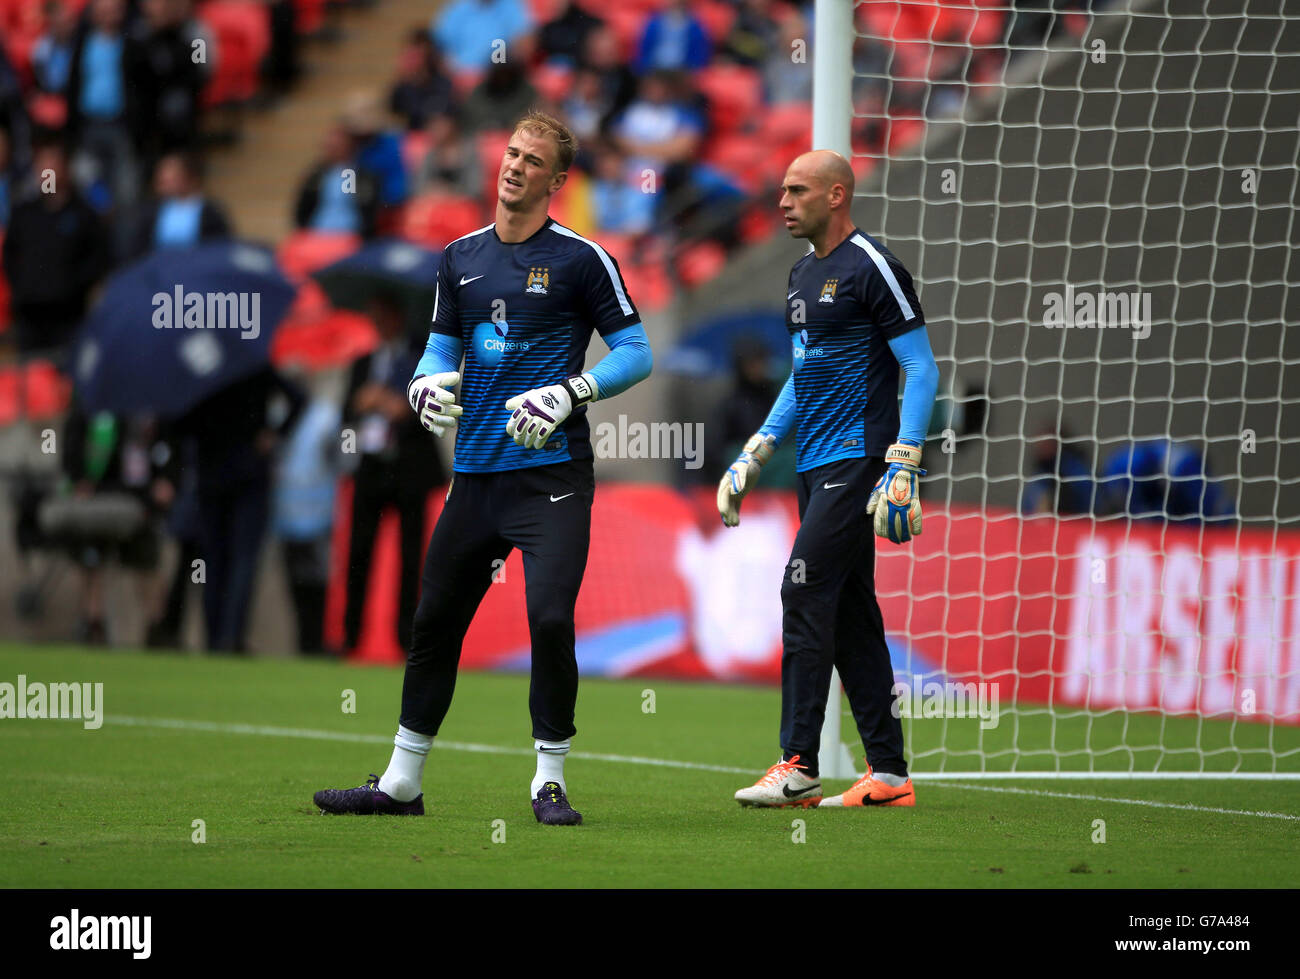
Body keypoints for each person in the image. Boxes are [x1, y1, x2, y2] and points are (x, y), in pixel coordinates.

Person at [314, 110, 653, 825]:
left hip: (552, 476)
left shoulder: (582, 259)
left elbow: (636, 352)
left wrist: (571, 390)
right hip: (474, 476)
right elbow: (440, 350)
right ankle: (402, 782)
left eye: (533, 160)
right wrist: (424, 383)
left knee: (551, 616)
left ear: (557, 181)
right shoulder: (459, 257)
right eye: (511, 152)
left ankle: (548, 780)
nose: (514, 166)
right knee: (433, 620)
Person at [718, 150, 938, 809]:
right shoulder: (798, 274)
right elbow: (804, 374)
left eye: (796, 190)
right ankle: (891, 773)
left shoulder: (873, 266)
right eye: (781, 189)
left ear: (836, 194)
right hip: (813, 466)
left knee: (803, 586)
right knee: (849, 615)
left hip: (859, 457)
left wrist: (904, 462)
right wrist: (756, 450)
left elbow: (921, 368)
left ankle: (799, 763)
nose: (782, 201)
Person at [341, 293, 447, 655]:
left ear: (398, 315)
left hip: (410, 470)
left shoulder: (423, 357)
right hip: (370, 469)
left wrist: (398, 406)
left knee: (410, 556)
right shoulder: (364, 362)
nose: (378, 320)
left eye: (383, 313)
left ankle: (407, 639)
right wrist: (362, 403)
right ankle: (350, 638)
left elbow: (439, 405)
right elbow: (346, 412)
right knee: (359, 553)